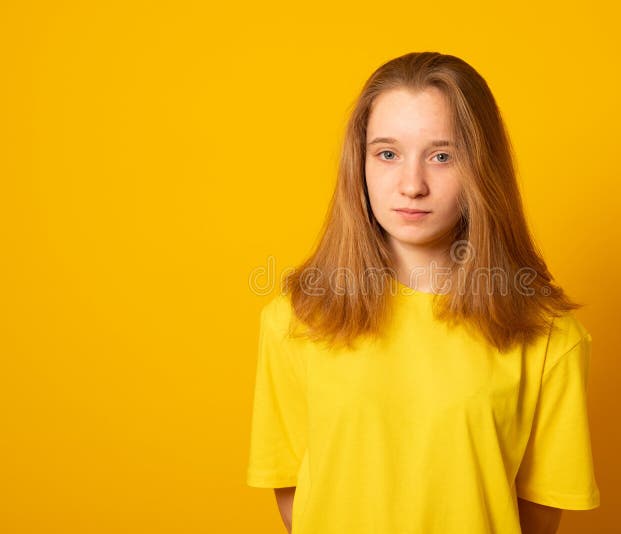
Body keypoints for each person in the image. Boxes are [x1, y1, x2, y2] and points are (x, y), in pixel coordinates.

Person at [246, 51, 600, 534]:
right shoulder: (293, 321)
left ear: (481, 169)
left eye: (441, 156)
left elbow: (538, 515)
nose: (412, 185)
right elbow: (291, 492)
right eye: (388, 153)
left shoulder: (548, 335)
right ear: (360, 164)